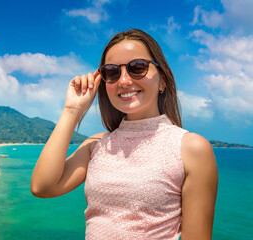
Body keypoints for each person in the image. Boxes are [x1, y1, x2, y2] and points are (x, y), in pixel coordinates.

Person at [31, 29, 218, 239]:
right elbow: (42, 187)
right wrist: (72, 110)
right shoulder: (97, 145)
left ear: (163, 80)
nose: (124, 81)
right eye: (112, 72)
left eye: (137, 67)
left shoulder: (190, 148)